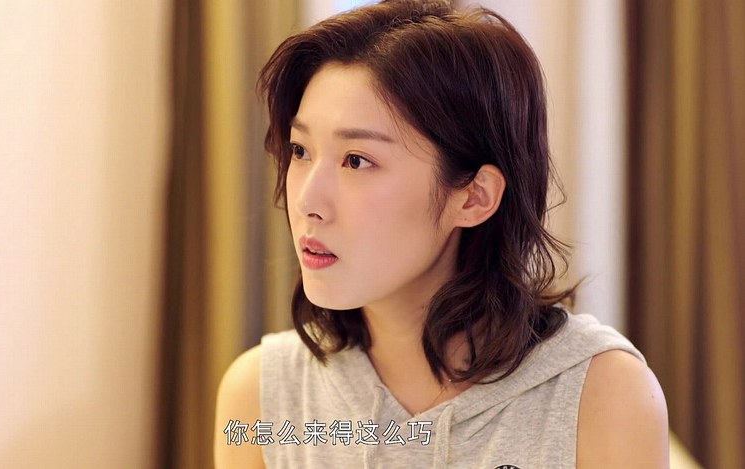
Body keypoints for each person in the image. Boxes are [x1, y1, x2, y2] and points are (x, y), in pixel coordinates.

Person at [214, 1, 669, 467]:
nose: (307, 201)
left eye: (356, 160)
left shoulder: (602, 396)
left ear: (474, 197)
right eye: (300, 150)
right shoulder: (261, 396)